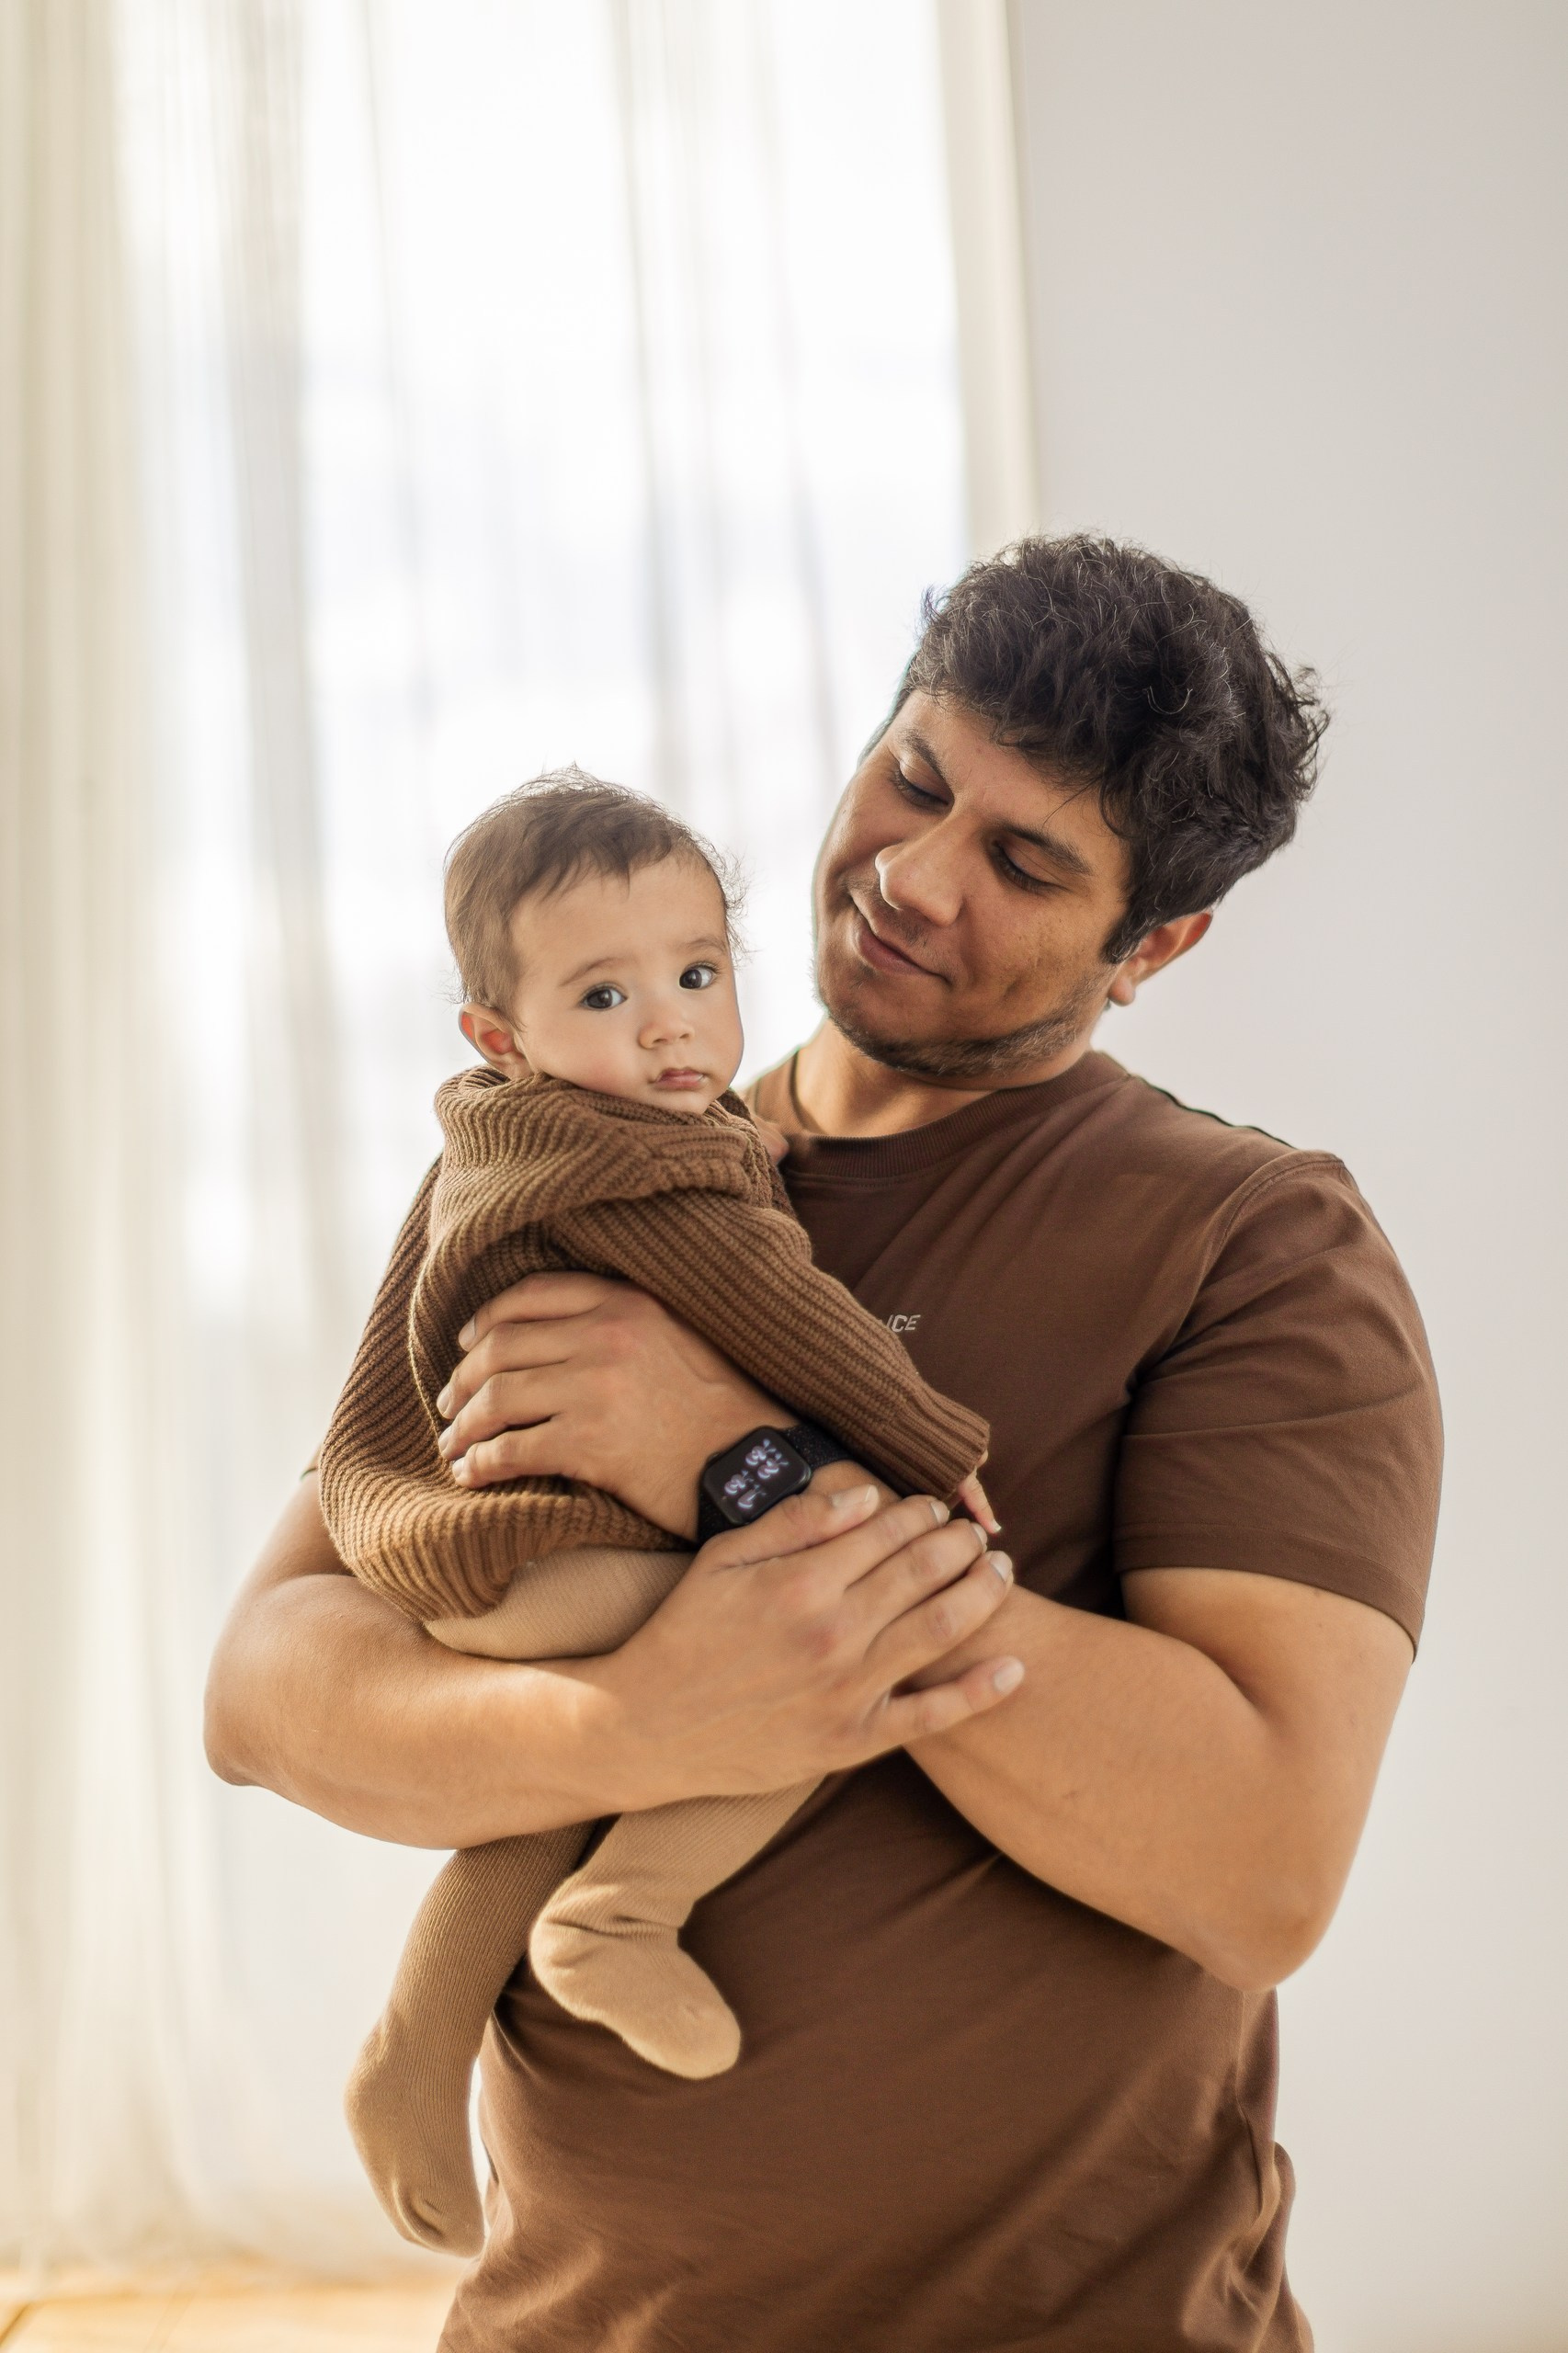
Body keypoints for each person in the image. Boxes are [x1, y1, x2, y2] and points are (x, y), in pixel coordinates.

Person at [205, 535, 1442, 2353]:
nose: (912, 876)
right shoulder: (583, 1139)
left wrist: (736, 1455)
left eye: (1023, 860)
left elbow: (1258, 1861)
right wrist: (632, 1725)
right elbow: (265, 1682)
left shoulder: (1249, 1243)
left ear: (1155, 940)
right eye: (914, 776)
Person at [324, 774, 994, 2256]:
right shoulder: (637, 1161)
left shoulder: (497, 1144)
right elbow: (801, 1325)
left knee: (559, 1779)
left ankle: (410, 2054)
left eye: (697, 975)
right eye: (605, 994)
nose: (671, 1025)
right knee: (825, 1652)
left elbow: (391, 1334)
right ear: (501, 1040)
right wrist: (929, 1451)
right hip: (550, 1552)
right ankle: (622, 1911)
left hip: (494, 1555)